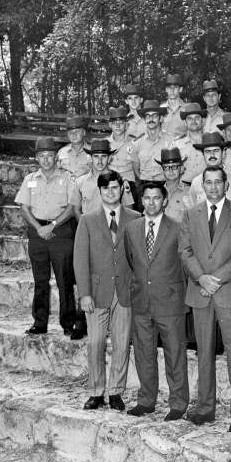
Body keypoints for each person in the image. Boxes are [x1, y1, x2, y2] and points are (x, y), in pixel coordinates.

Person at [179, 166, 231, 432]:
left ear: (226, 185)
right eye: (207, 183)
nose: (212, 187)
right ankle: (205, 408)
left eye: (217, 182)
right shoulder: (190, 214)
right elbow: (185, 251)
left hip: (229, 291)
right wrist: (201, 278)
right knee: (204, 352)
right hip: (201, 292)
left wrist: (215, 279)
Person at [73, 170, 140, 411]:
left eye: (114, 187)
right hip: (97, 292)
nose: (110, 192)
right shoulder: (87, 220)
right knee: (96, 342)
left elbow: (140, 258)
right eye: (105, 189)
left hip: (124, 291)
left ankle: (116, 391)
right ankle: (96, 391)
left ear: (121, 188)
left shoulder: (135, 218)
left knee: (122, 343)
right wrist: (85, 293)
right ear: (99, 192)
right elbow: (80, 259)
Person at [124, 181, 189, 421]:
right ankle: (146, 400)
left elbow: (184, 264)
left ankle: (178, 403)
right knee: (143, 353)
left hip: (170, 302)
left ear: (165, 201)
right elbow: (132, 262)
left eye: (156, 198)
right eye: (147, 198)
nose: (152, 203)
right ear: (142, 201)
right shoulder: (132, 228)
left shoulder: (178, 228)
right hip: (141, 300)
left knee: (175, 354)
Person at [15, 137, 86, 340]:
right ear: (37, 158)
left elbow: (72, 208)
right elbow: (24, 208)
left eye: (50, 156)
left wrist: (52, 225)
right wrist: (39, 227)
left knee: (65, 280)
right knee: (40, 280)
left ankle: (68, 323)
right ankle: (39, 323)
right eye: (42, 156)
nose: (46, 160)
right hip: (37, 233)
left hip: (61, 231)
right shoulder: (30, 179)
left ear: (56, 157)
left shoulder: (68, 178)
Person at [71, 139, 135, 219]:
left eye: (104, 156)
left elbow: (129, 209)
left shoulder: (120, 181)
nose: (100, 161)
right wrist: (85, 227)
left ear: (109, 158)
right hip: (89, 226)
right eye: (96, 156)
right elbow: (76, 209)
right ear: (91, 158)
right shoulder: (80, 182)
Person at [190, 132, 231, 207]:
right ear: (203, 154)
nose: (212, 155)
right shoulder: (196, 183)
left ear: (224, 153)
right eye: (208, 152)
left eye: (216, 151)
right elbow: (193, 213)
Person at [105, 106, 141, 208]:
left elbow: (138, 168)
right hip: (109, 183)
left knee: (129, 213)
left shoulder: (134, 143)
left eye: (121, 122)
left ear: (127, 125)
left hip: (129, 182)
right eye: (114, 123)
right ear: (110, 125)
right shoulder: (105, 143)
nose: (118, 126)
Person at [131, 100, 171, 185]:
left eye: (154, 115)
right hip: (144, 185)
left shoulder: (171, 141)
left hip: (165, 185)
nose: (151, 119)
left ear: (160, 118)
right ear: (144, 119)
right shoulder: (137, 143)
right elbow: (135, 168)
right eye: (147, 116)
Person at [173, 102, 207, 184]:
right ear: (185, 122)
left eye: (197, 118)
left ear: (202, 120)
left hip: (207, 188)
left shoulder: (211, 142)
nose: (194, 121)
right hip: (184, 188)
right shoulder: (176, 145)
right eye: (190, 119)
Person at [157, 147, 193, 223]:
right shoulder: (156, 192)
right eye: (166, 167)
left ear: (181, 169)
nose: (171, 171)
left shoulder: (189, 192)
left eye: (174, 166)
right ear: (162, 170)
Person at [161, 73, 188, 139]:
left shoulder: (187, 109)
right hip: (164, 147)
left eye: (175, 87)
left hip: (182, 147)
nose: (172, 90)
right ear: (166, 90)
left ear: (180, 89)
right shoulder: (160, 109)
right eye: (169, 87)